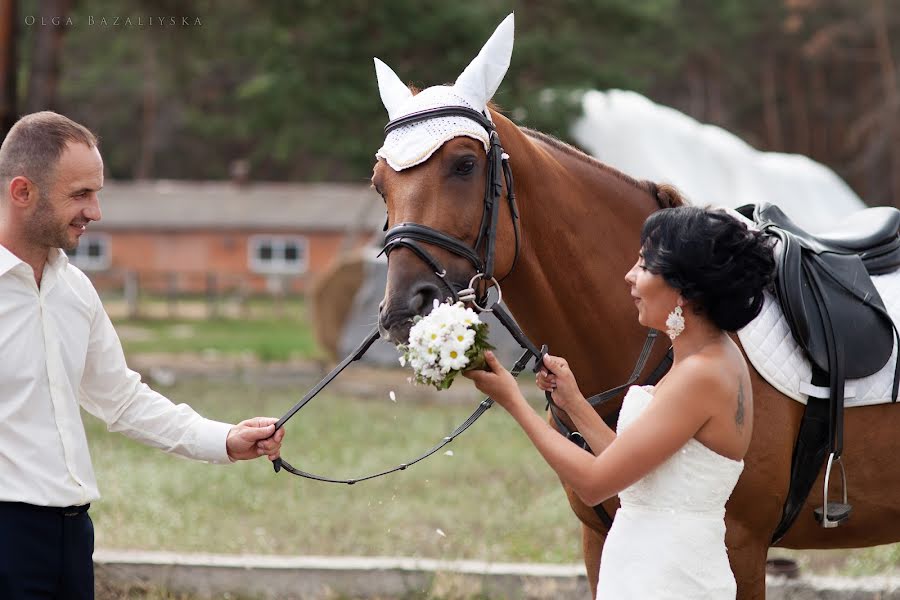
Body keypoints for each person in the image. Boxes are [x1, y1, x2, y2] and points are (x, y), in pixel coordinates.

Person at [0, 111, 286, 600]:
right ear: (22, 192)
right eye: (81, 194)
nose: (96, 211)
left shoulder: (76, 290)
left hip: (72, 536)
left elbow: (124, 400)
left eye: (97, 193)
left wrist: (224, 440)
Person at [465, 204, 775, 599]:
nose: (629, 276)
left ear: (682, 287)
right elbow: (637, 472)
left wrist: (514, 401)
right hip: (655, 569)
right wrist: (575, 403)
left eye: (644, 265)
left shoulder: (701, 374)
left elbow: (596, 484)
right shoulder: (712, 359)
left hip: (666, 579)